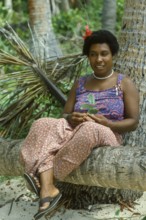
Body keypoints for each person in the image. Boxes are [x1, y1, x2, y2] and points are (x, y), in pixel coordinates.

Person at [20, 28, 139, 220]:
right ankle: (48, 189)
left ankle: (44, 178)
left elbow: (133, 122)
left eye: (103, 54)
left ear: (113, 55)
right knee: (42, 123)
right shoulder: (81, 83)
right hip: (72, 130)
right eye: (93, 55)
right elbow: (66, 113)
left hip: (107, 133)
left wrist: (107, 122)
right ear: (88, 58)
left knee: (89, 128)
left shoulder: (123, 83)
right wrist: (71, 117)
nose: (98, 59)